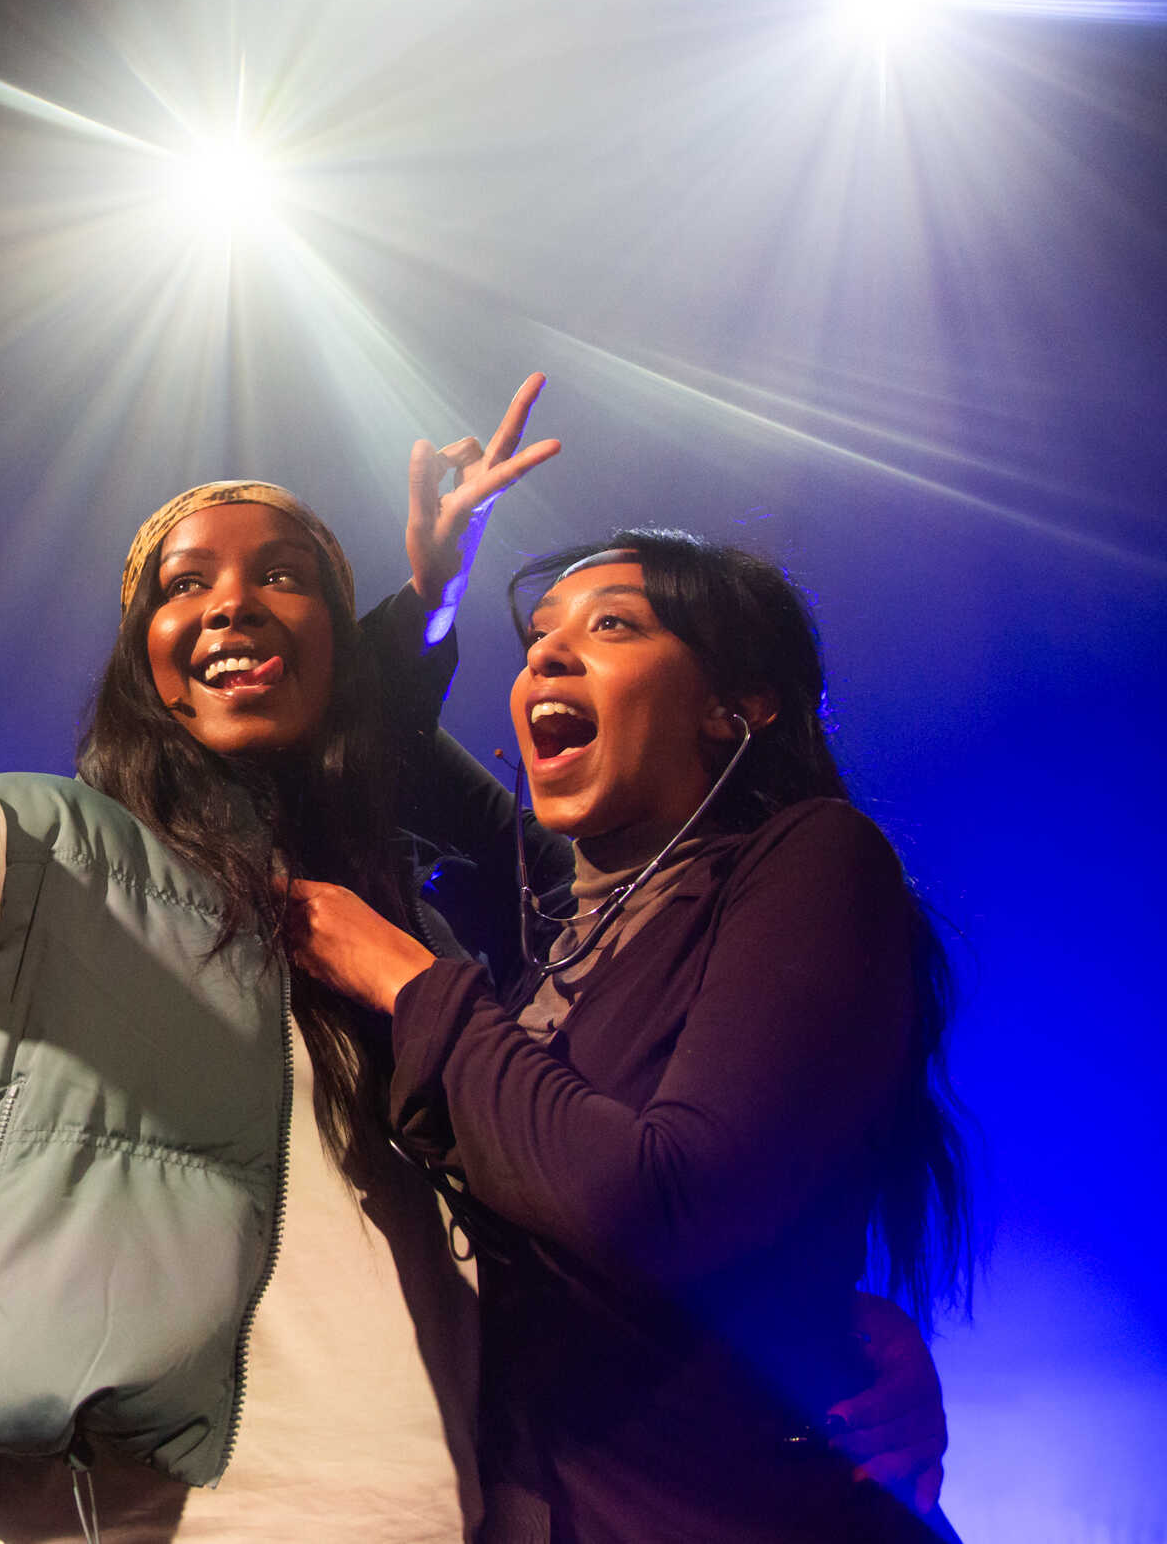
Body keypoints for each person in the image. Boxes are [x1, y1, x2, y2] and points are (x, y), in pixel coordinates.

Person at [0, 97, 946, 1541]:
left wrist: (823, 1347)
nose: (234, 600)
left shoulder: (419, 947)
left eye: (286, 573)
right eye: (183, 581)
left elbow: (620, 1186)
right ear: (143, 665)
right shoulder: (39, 864)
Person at [288, 533, 974, 1543]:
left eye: (610, 624)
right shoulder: (548, 917)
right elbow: (357, 730)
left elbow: (663, 1196)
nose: (544, 657)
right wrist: (429, 595)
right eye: (535, 637)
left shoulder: (808, 858)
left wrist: (410, 982)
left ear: (733, 705)